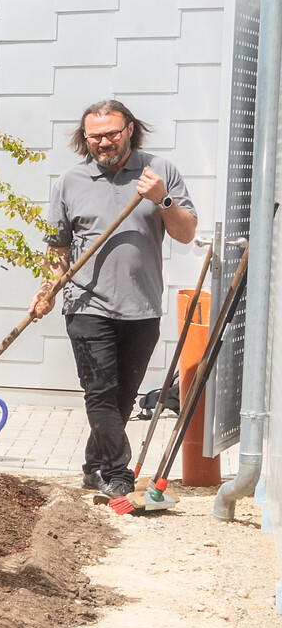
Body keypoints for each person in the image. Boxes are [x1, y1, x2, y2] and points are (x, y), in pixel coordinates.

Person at [28, 99, 198, 506]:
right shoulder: (70, 181)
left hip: (142, 306)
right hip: (86, 305)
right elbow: (58, 249)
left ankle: (93, 465)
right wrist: (48, 290)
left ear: (130, 129)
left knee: (123, 396)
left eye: (111, 133)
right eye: (94, 136)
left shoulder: (160, 172)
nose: (103, 142)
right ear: (84, 137)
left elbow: (187, 233)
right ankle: (118, 473)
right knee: (100, 392)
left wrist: (162, 199)